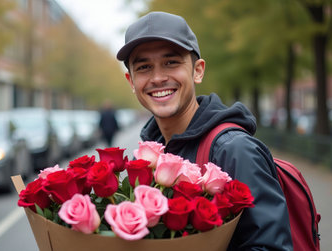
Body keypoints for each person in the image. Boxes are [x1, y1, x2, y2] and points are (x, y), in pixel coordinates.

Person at [117, 11, 293, 250]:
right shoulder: (152, 152)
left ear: (198, 70)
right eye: (144, 67)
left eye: (171, 62)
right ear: (131, 81)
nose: (157, 78)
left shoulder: (234, 150)